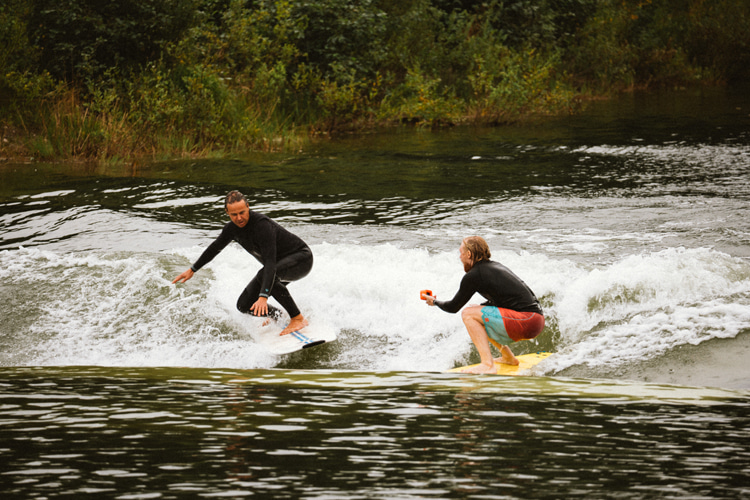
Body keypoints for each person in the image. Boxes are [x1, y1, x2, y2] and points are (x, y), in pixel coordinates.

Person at [173, 190, 313, 336]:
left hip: (301, 259)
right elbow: (215, 248)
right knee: (244, 305)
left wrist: (263, 297)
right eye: (234, 214)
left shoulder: (262, 225)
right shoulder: (231, 229)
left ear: (248, 206)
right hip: (276, 267)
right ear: (227, 212)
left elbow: (270, 262)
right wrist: (192, 269)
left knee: (264, 275)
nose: (239, 218)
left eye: (242, 212)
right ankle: (277, 316)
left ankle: (297, 318)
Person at [422, 236, 544, 374]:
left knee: (468, 314)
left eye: (461, 252)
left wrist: (434, 302)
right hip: (535, 320)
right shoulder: (493, 267)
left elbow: (453, 307)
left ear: (469, 254)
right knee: (478, 311)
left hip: (527, 320)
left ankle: (487, 364)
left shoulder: (474, 275)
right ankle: (508, 357)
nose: (460, 257)